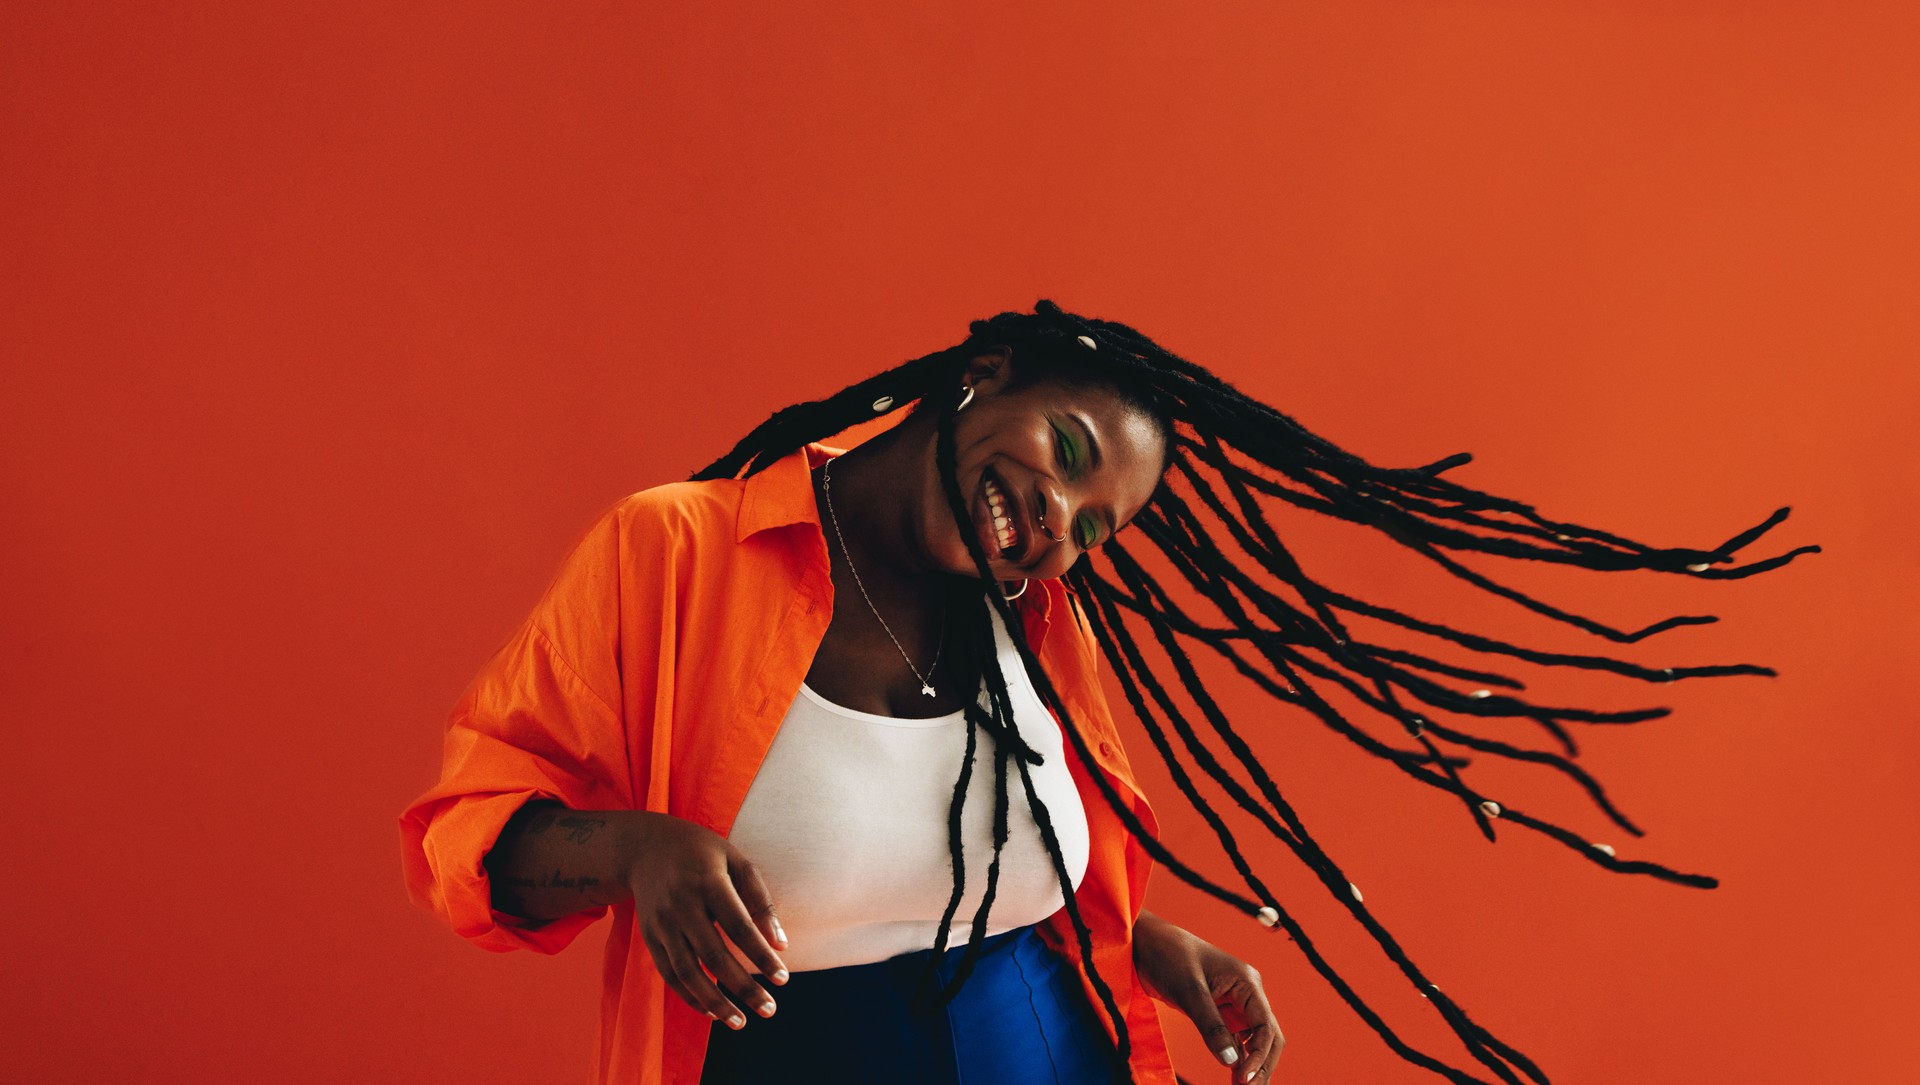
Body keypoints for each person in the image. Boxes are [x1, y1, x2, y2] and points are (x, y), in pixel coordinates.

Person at [400, 301, 1816, 1085]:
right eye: (1066, 450)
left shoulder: (1037, 616)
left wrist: (1157, 951)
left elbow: (1010, 870)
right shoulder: (679, 551)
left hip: (1045, 1042)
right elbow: (469, 833)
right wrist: (631, 850)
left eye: (1095, 520)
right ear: (985, 375)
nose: (1056, 519)